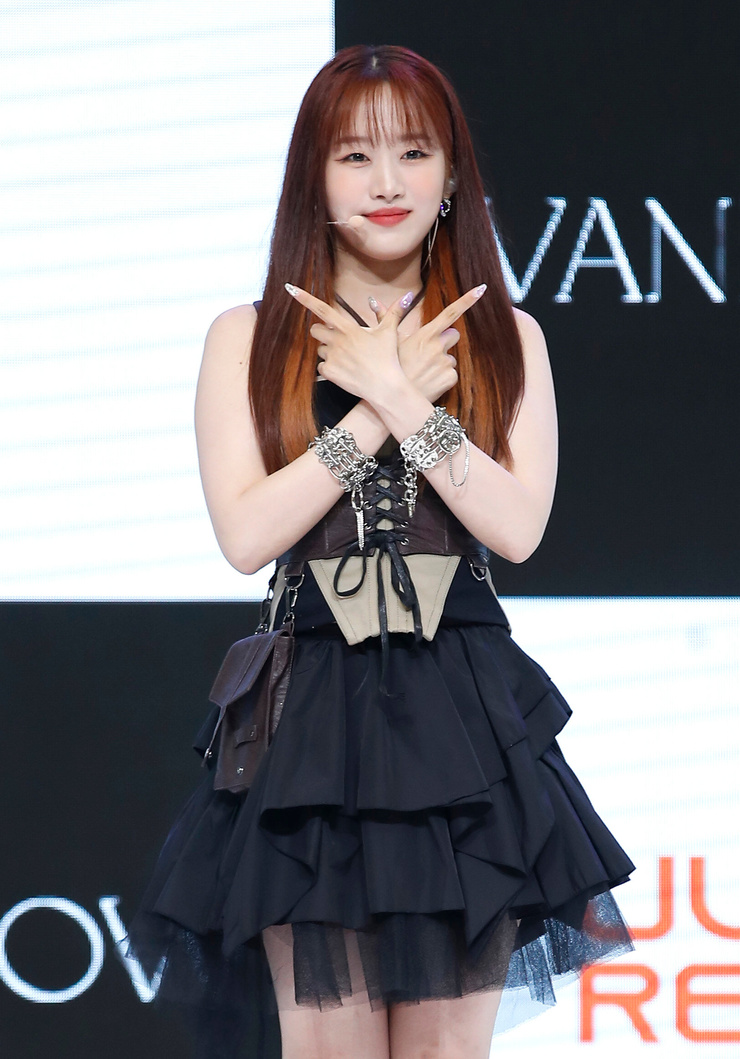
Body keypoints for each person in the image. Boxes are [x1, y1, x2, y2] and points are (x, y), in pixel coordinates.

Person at [129, 44, 635, 1059]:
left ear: (451, 176)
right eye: (355, 156)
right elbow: (247, 537)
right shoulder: (246, 337)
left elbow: (516, 530)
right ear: (312, 179)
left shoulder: (509, 337)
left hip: (462, 711)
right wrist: (368, 412)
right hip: (308, 712)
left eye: (413, 151)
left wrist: (408, 396)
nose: (387, 181)